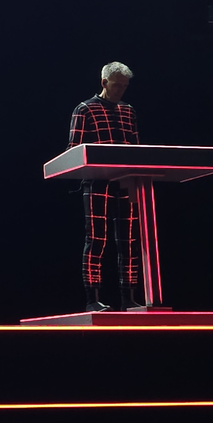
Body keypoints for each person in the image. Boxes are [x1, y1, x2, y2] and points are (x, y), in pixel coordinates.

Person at [69, 61, 143, 312]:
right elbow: (74, 149)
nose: (121, 90)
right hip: (97, 181)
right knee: (97, 238)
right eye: (117, 85)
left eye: (125, 86)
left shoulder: (128, 111)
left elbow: (136, 148)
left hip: (126, 182)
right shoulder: (85, 109)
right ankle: (93, 298)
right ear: (104, 83)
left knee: (128, 240)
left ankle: (128, 297)